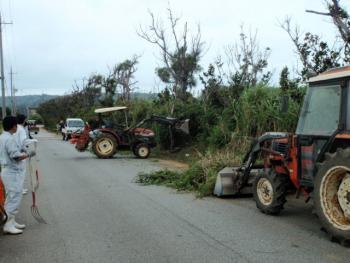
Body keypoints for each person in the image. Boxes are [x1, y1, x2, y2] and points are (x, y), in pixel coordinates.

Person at [0, 116, 33, 235]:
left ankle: (11, 221)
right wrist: (28, 154)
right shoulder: (9, 139)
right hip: (11, 172)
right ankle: (8, 224)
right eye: (16, 126)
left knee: (11, 197)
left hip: (7, 171)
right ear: (14, 126)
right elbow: (16, 156)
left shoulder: (3, 137)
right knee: (14, 197)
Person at [15, 114, 29, 195]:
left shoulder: (15, 128)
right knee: (21, 172)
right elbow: (23, 141)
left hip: (15, 152)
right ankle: (20, 189)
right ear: (23, 120)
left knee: (17, 172)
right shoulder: (21, 129)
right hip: (20, 152)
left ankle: (19, 188)